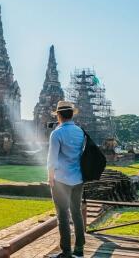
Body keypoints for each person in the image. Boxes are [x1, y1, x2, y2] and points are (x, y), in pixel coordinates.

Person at [47, 101, 85, 258]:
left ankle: (66, 252)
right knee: (76, 213)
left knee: (62, 215)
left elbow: (52, 159)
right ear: (72, 114)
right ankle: (79, 249)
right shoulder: (80, 132)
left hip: (61, 180)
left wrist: (50, 178)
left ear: (59, 115)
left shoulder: (56, 133)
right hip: (78, 178)